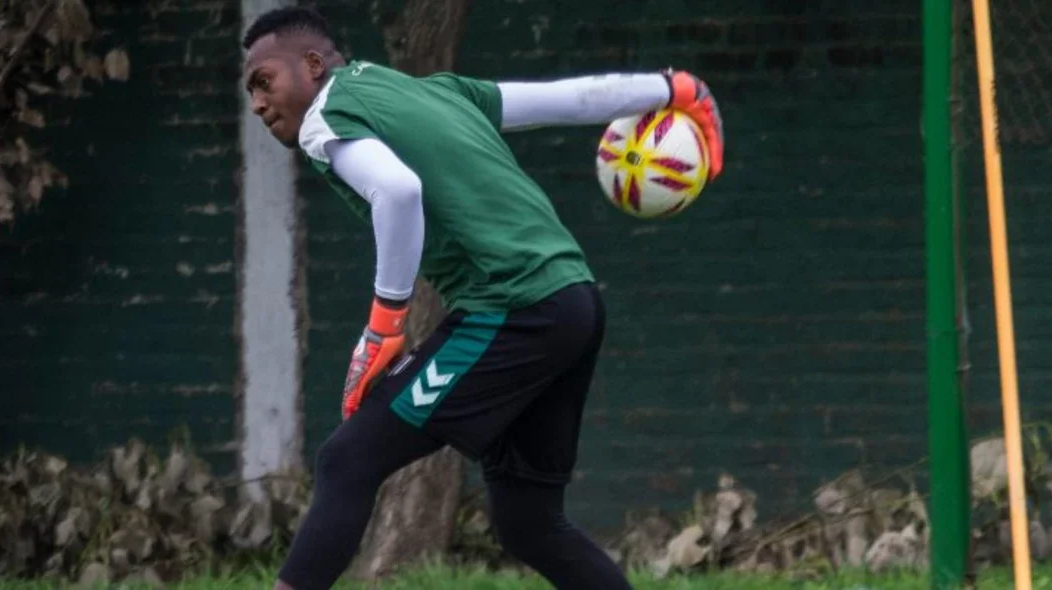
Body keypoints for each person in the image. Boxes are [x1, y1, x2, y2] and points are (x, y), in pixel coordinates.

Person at [240, 6, 724, 590]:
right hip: (572, 301)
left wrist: (383, 327)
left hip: (513, 308)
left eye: (264, 81)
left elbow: (397, 191)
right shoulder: (438, 92)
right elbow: (566, 101)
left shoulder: (326, 117)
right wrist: (676, 89)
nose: (258, 103)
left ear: (314, 65)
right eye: (251, 92)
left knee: (347, 460)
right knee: (528, 521)